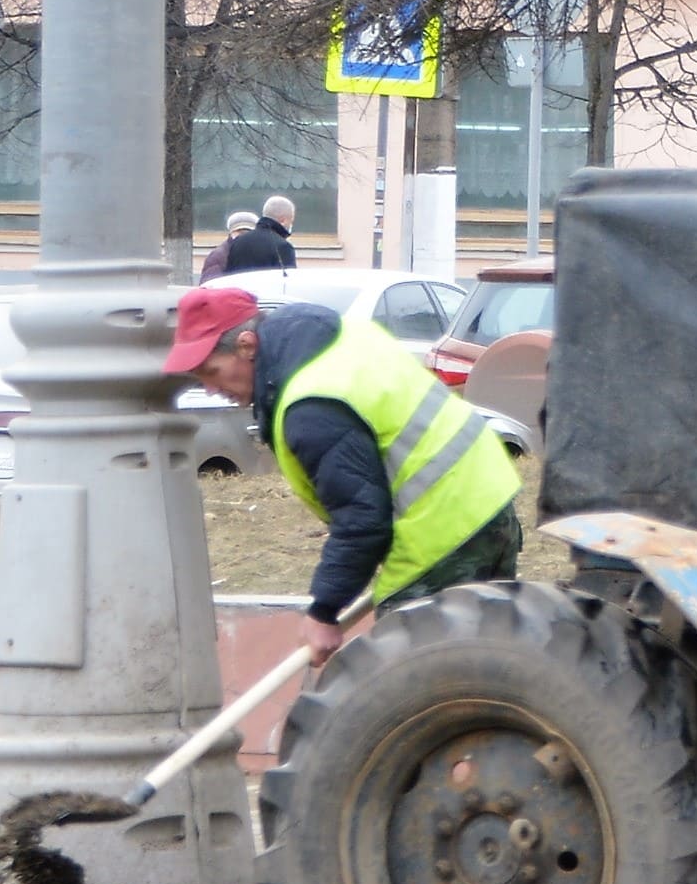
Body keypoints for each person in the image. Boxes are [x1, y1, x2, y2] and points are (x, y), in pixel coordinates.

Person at [166, 283, 521, 662]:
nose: (209, 388)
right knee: (485, 670)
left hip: (443, 532)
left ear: (247, 346)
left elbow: (362, 521)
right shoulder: (337, 335)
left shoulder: (312, 405)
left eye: (211, 370)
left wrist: (324, 610)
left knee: (411, 692)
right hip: (491, 501)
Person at [198, 196, 299, 281]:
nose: (291, 224)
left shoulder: (237, 243)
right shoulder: (283, 247)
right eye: (291, 221)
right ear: (283, 221)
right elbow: (286, 284)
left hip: (241, 300)